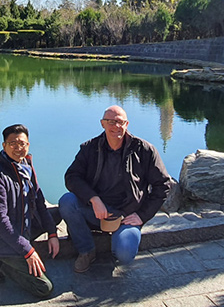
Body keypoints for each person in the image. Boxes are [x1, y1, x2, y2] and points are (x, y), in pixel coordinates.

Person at [59, 105, 171, 273]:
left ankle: (117, 240)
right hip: (96, 210)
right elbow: (72, 177)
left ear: (127, 124)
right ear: (102, 124)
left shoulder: (145, 150)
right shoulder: (90, 148)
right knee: (67, 202)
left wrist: (142, 215)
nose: (115, 126)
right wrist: (93, 198)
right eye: (110, 121)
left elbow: (163, 185)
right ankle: (86, 251)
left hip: (126, 215)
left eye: (120, 122)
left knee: (125, 254)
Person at [0, 123, 61, 298]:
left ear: (28, 145)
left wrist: (53, 234)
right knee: (44, 287)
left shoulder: (26, 166)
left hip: (23, 226)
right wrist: (28, 251)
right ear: (4, 146)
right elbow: (0, 222)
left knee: (57, 213)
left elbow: (39, 201)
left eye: (22, 144)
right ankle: (0, 263)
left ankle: (11, 256)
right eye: (13, 144)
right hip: (2, 238)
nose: (18, 148)